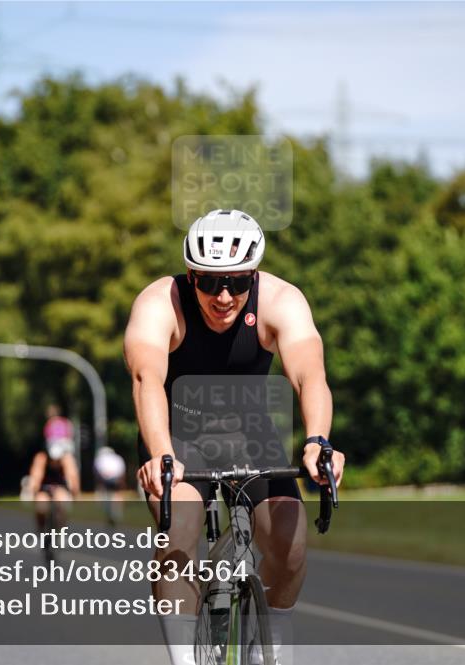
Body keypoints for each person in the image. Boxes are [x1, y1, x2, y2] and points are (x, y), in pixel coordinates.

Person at [124, 209, 346, 665]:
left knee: (290, 541)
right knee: (179, 531)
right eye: (209, 283)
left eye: (238, 283)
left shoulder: (281, 301)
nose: (224, 296)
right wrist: (162, 455)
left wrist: (317, 441)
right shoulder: (158, 302)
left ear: (255, 275)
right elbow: (147, 381)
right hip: (176, 434)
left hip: (250, 433)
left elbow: (310, 376)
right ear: (190, 276)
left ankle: (272, 650)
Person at [29, 408, 81, 533]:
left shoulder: (67, 458)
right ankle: (41, 530)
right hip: (44, 486)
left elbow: (72, 476)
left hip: (60, 486)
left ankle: (61, 530)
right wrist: (32, 489)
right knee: (41, 506)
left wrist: (75, 493)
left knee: (61, 502)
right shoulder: (42, 457)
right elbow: (36, 476)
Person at [94, 445, 126, 526]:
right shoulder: (118, 458)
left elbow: (98, 473)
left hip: (106, 478)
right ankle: (116, 513)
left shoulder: (100, 459)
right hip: (116, 478)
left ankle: (111, 514)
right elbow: (122, 471)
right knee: (116, 496)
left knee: (107, 497)